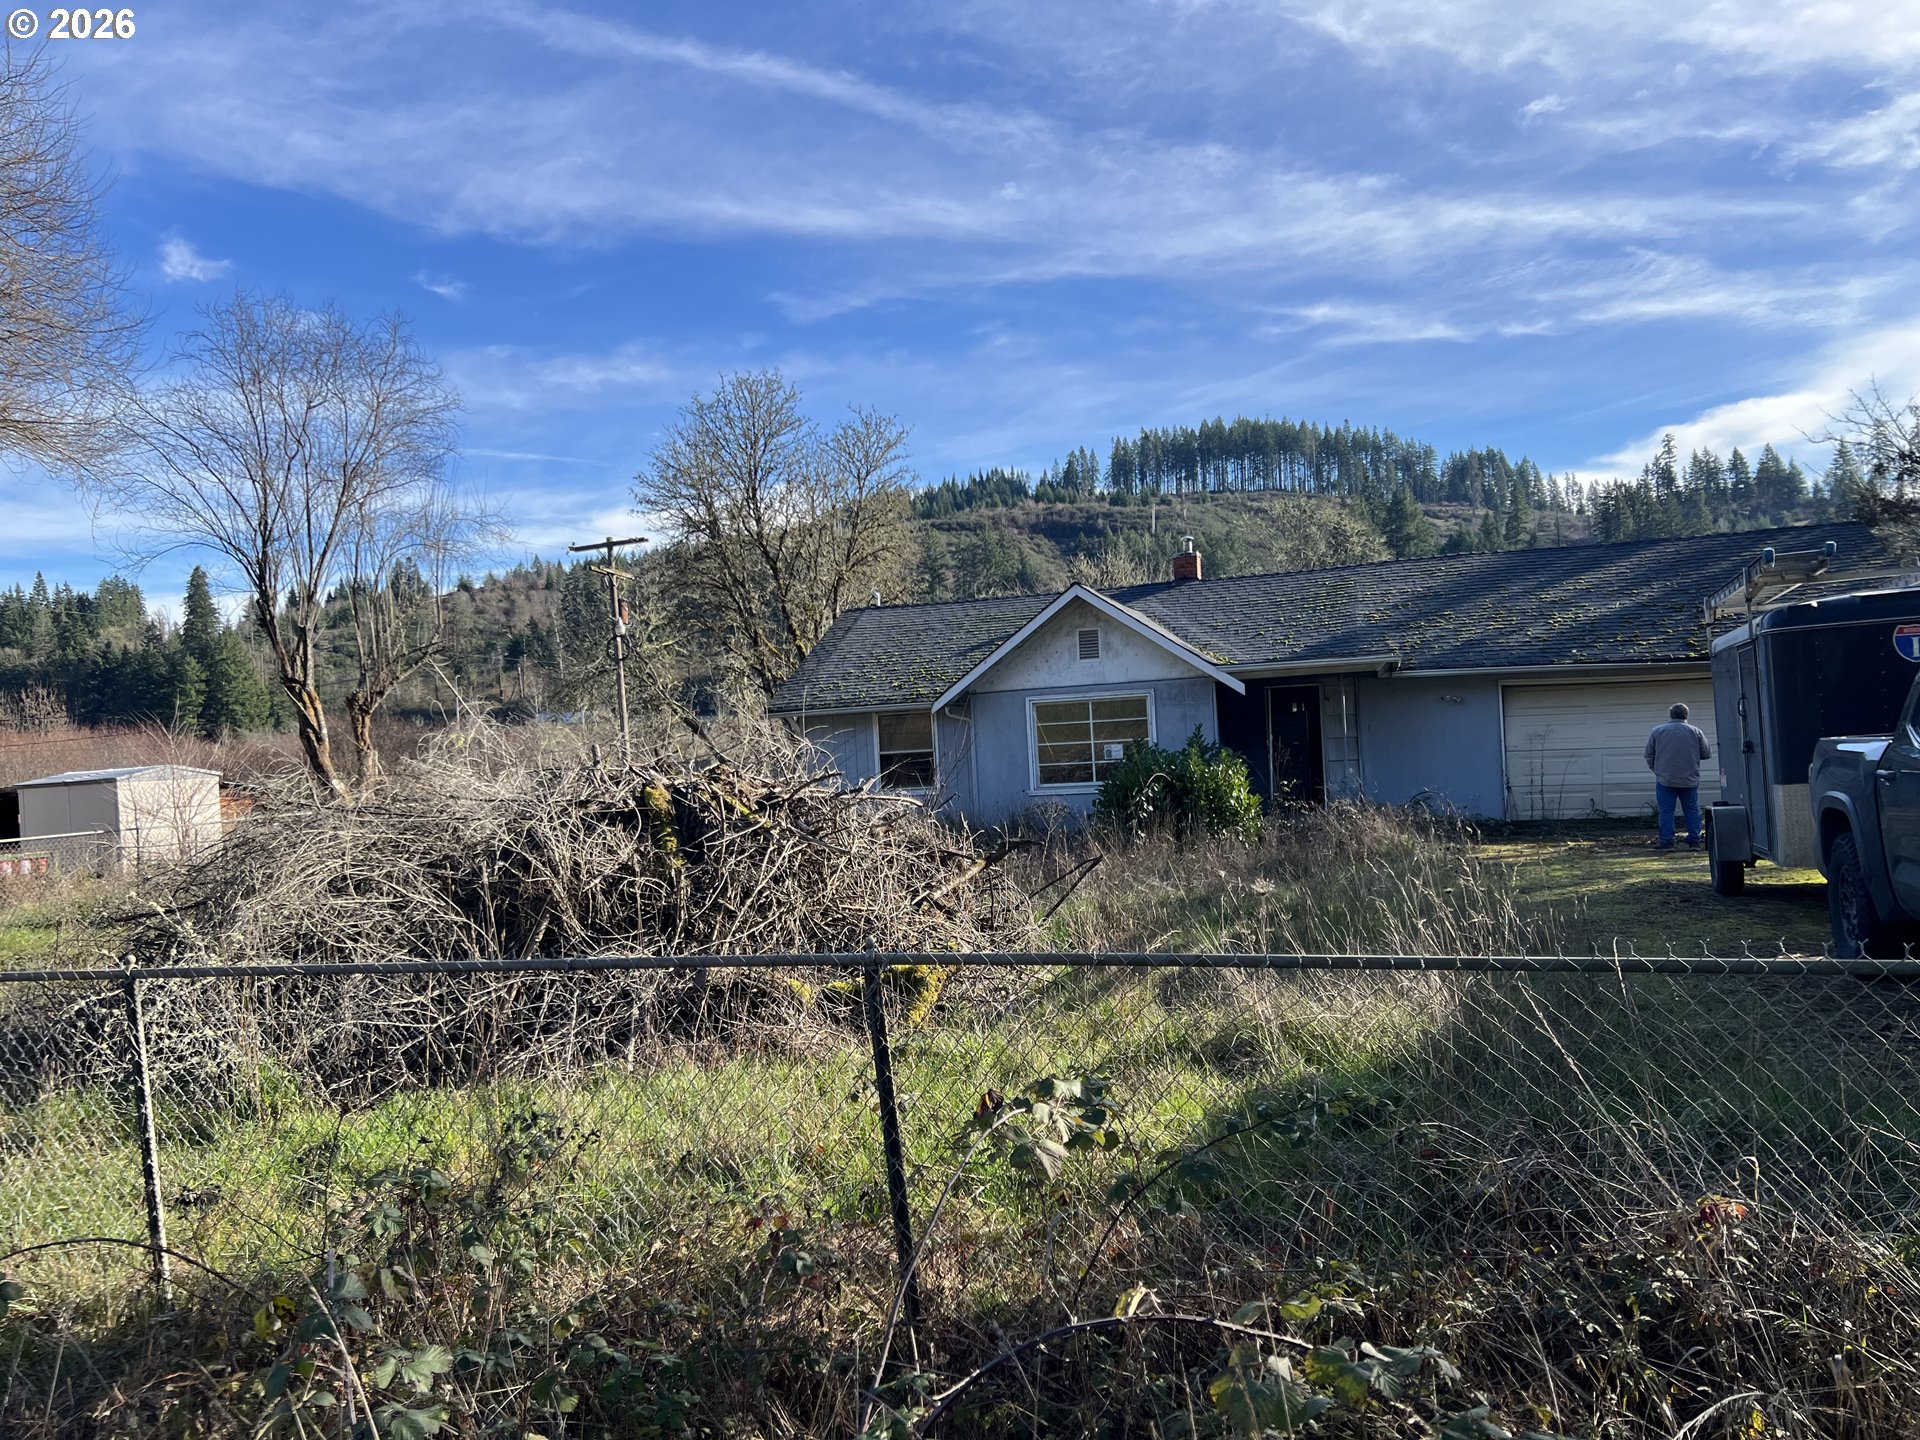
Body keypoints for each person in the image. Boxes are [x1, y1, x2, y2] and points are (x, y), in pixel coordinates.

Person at [1644, 702, 1711, 850]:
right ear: (1686, 715)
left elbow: (1649, 755)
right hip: (1690, 778)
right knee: (1691, 809)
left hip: (1665, 778)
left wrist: (1657, 770)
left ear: (1670, 714)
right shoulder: (1696, 731)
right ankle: (1694, 841)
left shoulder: (1658, 731)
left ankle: (1667, 842)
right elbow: (1706, 753)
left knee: (1666, 811)